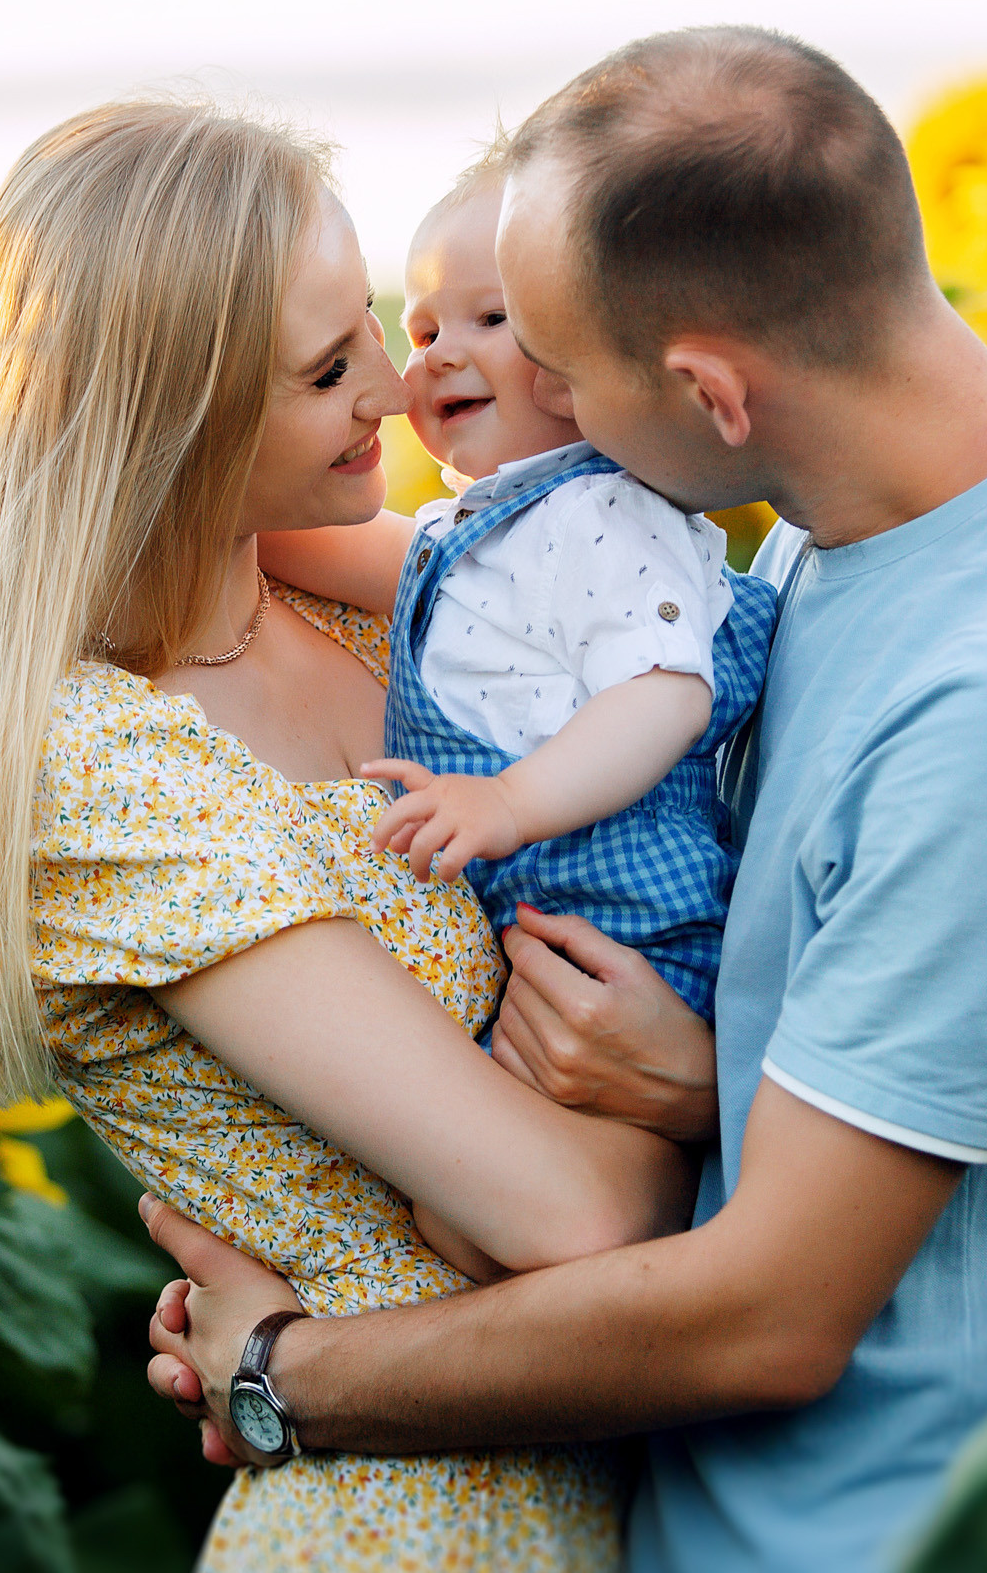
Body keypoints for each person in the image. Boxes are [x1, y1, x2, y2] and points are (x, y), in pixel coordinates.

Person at [142, 27, 987, 1573]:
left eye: (561, 368)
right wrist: (711, 1081)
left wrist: (290, 1372)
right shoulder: (847, 534)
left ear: (706, 392)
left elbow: (770, 1313)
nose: (489, 401)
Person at [0, 100, 696, 1573]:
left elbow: (648, 609)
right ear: (171, 425)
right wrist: (710, 1112)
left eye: (373, 322)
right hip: (428, 1532)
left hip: (643, 1478)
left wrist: (681, 1075)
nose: (400, 379)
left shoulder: (339, 586)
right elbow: (567, 1216)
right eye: (328, 368)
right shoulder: (98, 767)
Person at [263, 152, 777, 1023]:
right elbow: (311, 543)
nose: (436, 359)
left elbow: (666, 693)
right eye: (423, 333)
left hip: (634, 931)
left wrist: (509, 801)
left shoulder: (603, 513)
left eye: (491, 317)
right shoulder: (484, 532)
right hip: (540, 928)